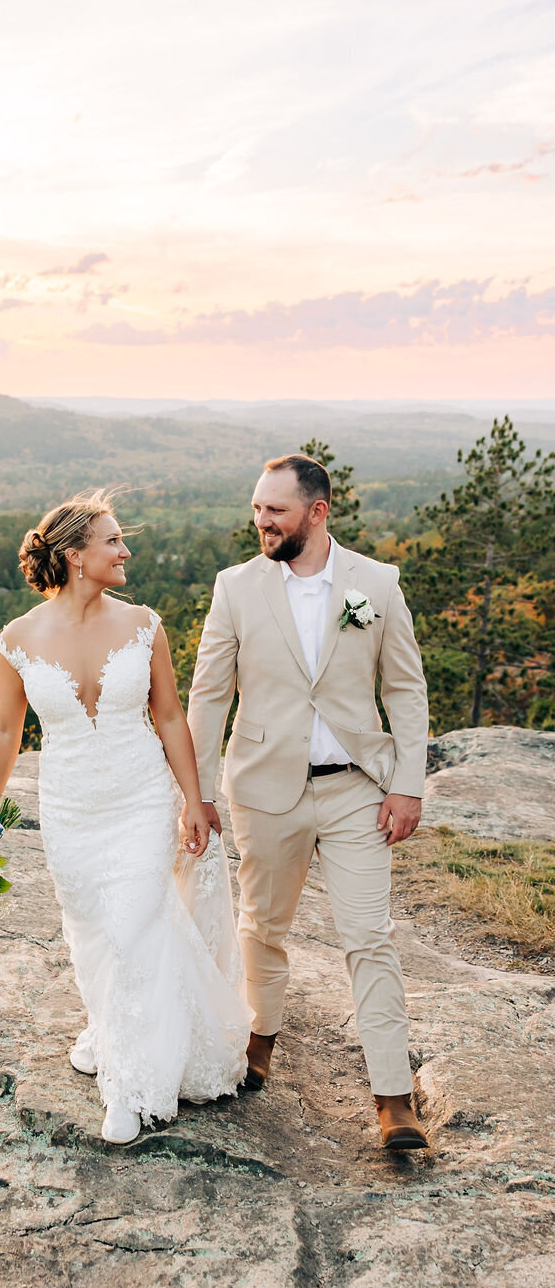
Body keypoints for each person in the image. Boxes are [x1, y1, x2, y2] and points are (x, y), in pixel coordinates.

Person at [0, 489, 250, 1145]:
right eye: (113, 541)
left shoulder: (144, 625)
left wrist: (194, 798)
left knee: (133, 925)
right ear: (74, 555)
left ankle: (130, 1088)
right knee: (94, 931)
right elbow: (5, 732)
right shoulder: (16, 639)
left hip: (140, 799)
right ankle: (114, 1026)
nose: (126, 551)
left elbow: (170, 715)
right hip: (69, 809)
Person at [187, 454, 431, 1150]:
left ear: (318, 512)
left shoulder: (376, 584)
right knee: (263, 925)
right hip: (266, 788)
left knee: (369, 936)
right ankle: (261, 1032)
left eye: (276, 511)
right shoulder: (234, 588)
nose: (262, 521)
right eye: (257, 509)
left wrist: (408, 781)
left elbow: (406, 689)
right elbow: (209, 695)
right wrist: (198, 793)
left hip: (357, 787)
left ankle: (393, 1097)